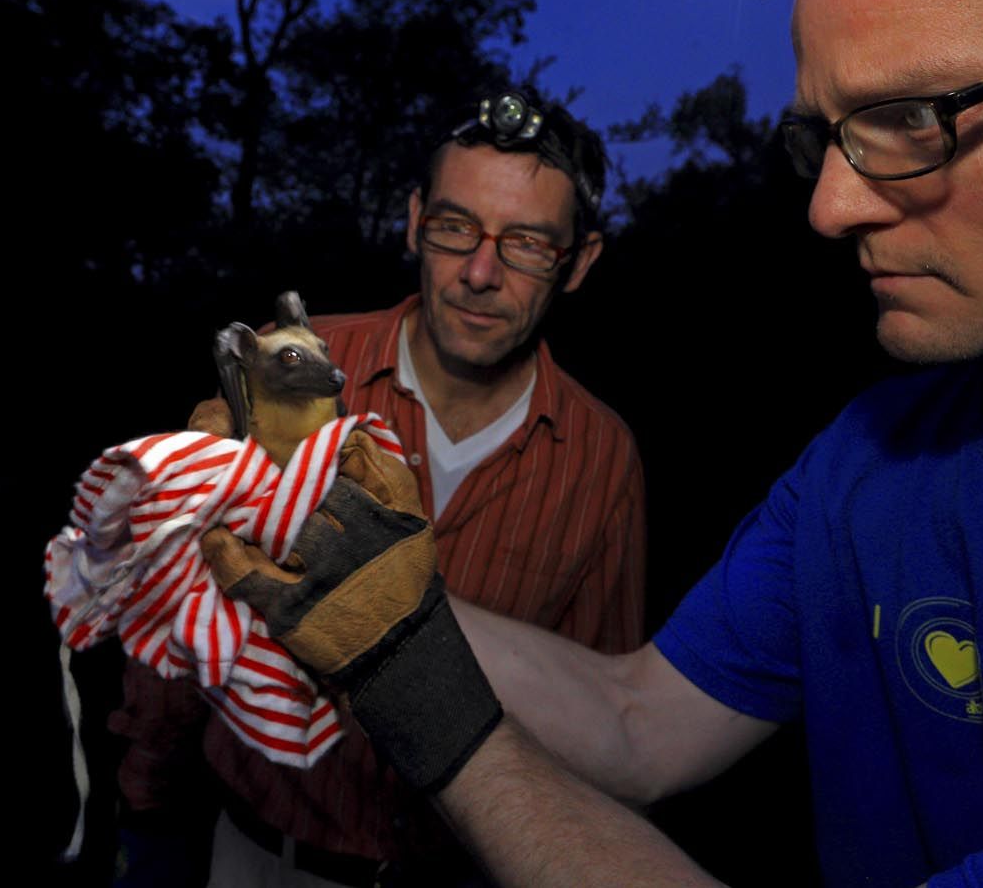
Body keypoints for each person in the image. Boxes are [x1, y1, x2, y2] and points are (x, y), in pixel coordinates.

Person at [200, 0, 983, 885]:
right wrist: (354, 584)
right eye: (819, 138)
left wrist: (406, 685)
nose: (828, 206)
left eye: (917, 115)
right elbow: (640, 720)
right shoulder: (866, 461)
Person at [110, 89, 648, 887]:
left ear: (581, 262)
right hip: (256, 854)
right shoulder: (292, 367)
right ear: (412, 221)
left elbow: (604, 723)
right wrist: (146, 800)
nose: (478, 271)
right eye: (455, 227)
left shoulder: (601, 457)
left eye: (528, 243)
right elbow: (182, 604)